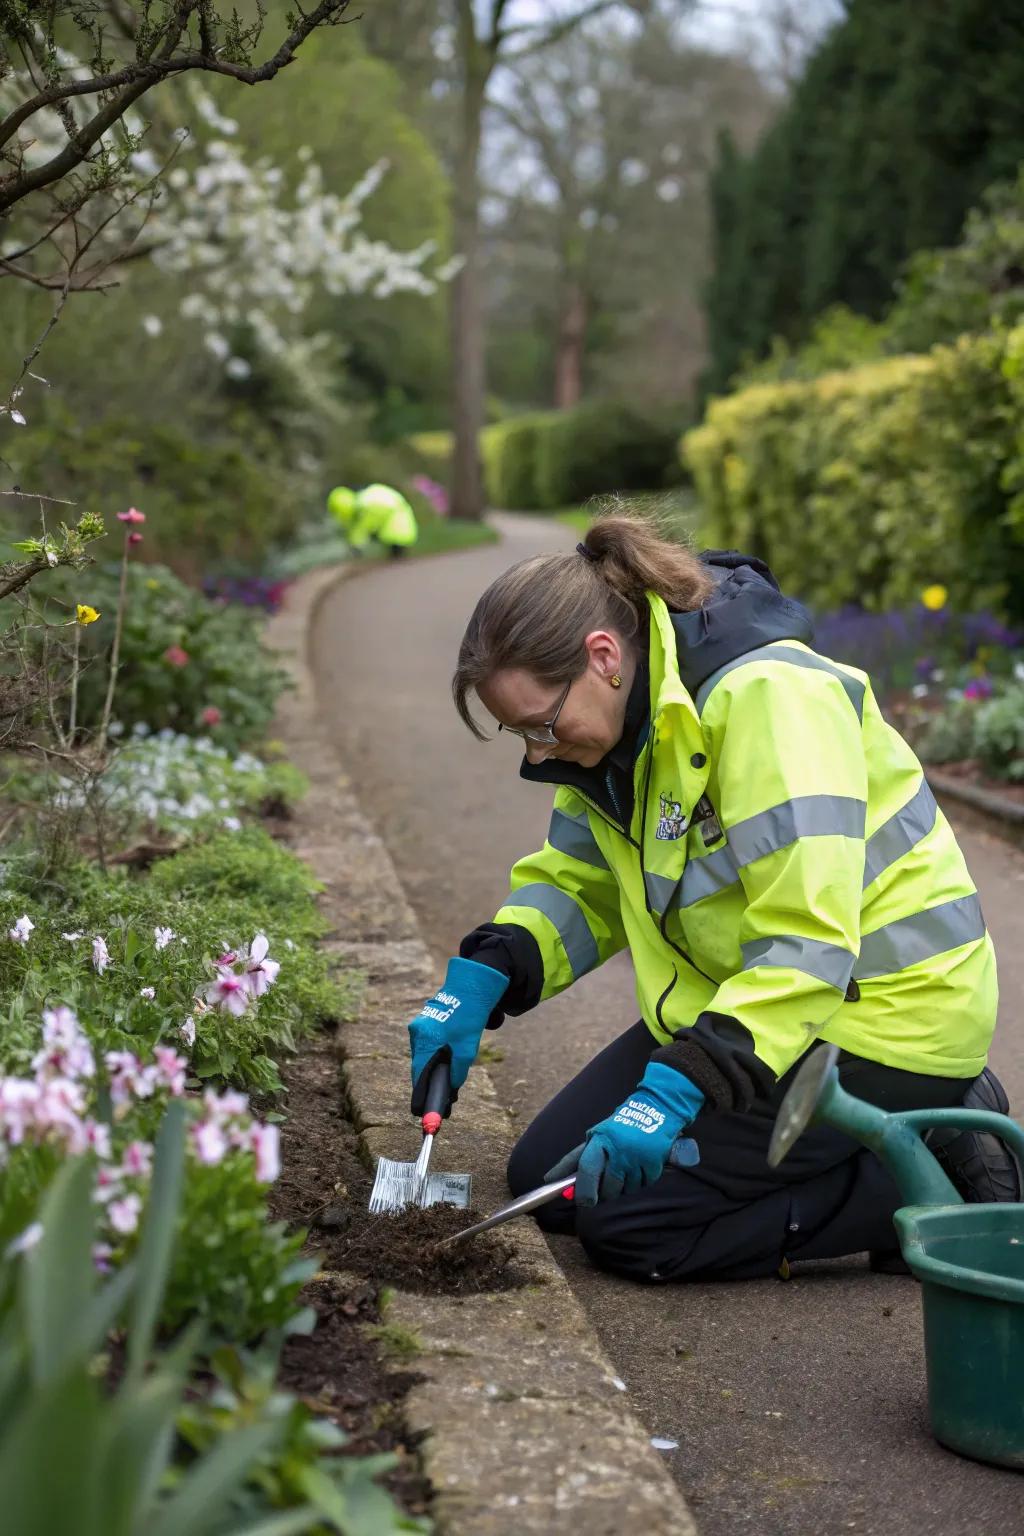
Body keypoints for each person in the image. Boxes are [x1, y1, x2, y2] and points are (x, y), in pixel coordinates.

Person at [406, 512, 1018, 1284]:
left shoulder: (771, 702)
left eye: (540, 723)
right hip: (766, 1011)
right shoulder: (613, 728)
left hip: (884, 1017)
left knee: (629, 1226)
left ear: (603, 657)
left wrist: (681, 1084)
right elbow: (582, 883)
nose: (537, 751)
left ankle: (924, 1168)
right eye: (519, 734)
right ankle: (868, 1140)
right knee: (550, 1185)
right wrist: (493, 968)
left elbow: (808, 942)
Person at [327, 483, 418, 559]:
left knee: (397, 556)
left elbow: (364, 527)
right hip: (401, 523)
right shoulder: (365, 499)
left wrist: (355, 544)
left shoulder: (366, 506)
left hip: (397, 528)